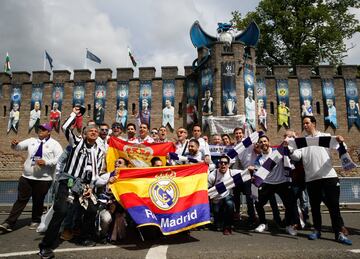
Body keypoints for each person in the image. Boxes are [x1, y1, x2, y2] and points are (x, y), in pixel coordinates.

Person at [38, 107, 106, 258]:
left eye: (96, 131)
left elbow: (95, 174)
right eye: (90, 130)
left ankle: (85, 237)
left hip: (84, 186)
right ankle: (46, 245)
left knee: (92, 210)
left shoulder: (100, 152)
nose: (94, 132)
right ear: (84, 133)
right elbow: (65, 127)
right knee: (61, 211)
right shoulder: (76, 142)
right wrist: (74, 113)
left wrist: (91, 188)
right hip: (68, 181)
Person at [288, 116, 352, 245]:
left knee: (334, 207)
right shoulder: (302, 141)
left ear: (314, 124)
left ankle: (338, 233)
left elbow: (340, 146)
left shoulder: (325, 136)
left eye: (307, 123)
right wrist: (289, 149)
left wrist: (340, 140)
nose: (305, 125)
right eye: (303, 123)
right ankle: (317, 230)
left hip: (329, 177)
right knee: (315, 208)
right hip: (311, 179)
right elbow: (296, 156)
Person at [0, 123, 63, 233]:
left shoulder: (55, 144)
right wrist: (14, 144)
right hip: (27, 177)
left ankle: (36, 220)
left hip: (44, 179)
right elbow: (18, 148)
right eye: (40, 128)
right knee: (21, 200)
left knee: (38, 201)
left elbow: (60, 159)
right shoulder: (31, 141)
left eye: (43, 129)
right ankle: (9, 223)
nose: (40, 130)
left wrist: (46, 162)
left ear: (49, 132)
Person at [249, 135, 298, 236]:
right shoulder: (259, 159)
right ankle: (263, 223)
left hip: (282, 182)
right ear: (259, 145)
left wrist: (287, 145)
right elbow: (257, 174)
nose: (263, 143)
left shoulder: (278, 152)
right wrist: (252, 173)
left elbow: (291, 155)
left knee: (290, 204)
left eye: (265, 141)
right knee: (258, 203)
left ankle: (288, 225)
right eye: (261, 142)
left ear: (269, 142)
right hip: (268, 183)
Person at [208, 155, 235, 235]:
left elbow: (244, 174)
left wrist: (249, 170)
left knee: (230, 204)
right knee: (217, 226)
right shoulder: (213, 175)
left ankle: (228, 227)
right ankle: (218, 221)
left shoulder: (231, 172)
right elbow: (206, 188)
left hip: (227, 197)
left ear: (228, 165)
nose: (223, 164)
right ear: (218, 164)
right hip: (216, 200)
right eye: (221, 163)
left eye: (225, 163)